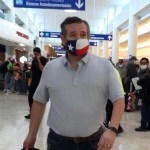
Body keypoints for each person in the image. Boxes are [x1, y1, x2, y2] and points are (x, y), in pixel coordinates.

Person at [23, 16, 125, 150]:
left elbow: (119, 99)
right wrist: (32, 134)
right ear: (63, 39)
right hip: (58, 143)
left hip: (94, 142)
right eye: (73, 34)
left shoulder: (105, 66)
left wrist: (112, 129)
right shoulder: (50, 68)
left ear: (88, 38)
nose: (79, 39)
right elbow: (39, 102)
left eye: (83, 35)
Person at [24, 47, 47, 119]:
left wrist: (38, 60)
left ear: (39, 53)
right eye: (34, 54)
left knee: (38, 99)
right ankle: (31, 113)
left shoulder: (43, 59)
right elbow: (32, 70)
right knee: (30, 97)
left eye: (36, 54)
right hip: (33, 81)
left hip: (40, 82)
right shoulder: (33, 59)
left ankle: (37, 114)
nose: (35, 55)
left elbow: (43, 69)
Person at [135, 57, 150, 131]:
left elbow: (145, 82)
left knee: (145, 111)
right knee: (146, 110)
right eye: (141, 63)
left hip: (148, 94)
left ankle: (143, 126)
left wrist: (140, 82)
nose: (142, 64)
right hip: (143, 93)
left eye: (144, 63)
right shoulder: (140, 72)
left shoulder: (148, 73)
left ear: (147, 64)